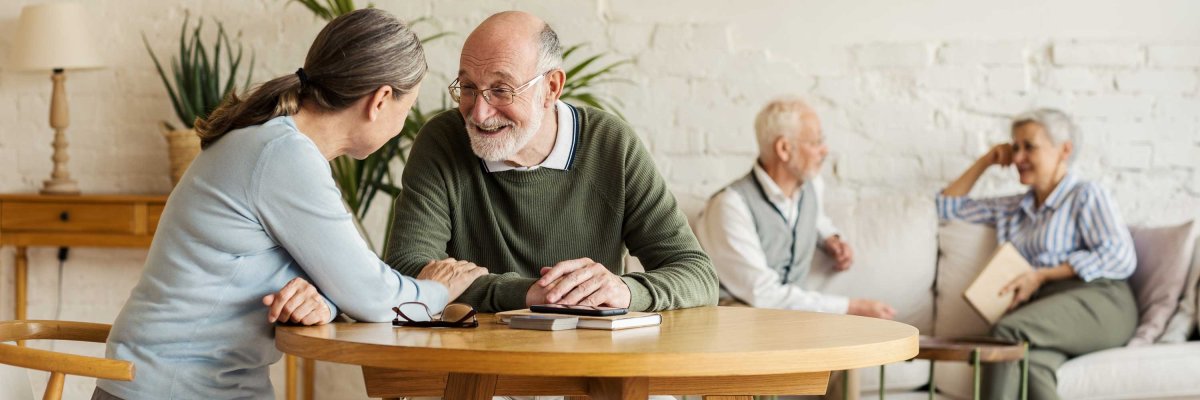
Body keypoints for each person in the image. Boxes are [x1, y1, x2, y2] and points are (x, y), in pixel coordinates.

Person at [95, 9, 485, 400]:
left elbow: (339, 279)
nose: (403, 123)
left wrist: (323, 301)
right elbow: (374, 296)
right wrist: (435, 290)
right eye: (406, 107)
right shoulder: (283, 156)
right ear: (381, 100)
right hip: (173, 390)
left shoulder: (274, 143)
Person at [383, 11, 718, 313]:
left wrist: (624, 291)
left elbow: (697, 274)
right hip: (477, 361)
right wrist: (530, 294)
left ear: (551, 88)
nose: (479, 112)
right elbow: (409, 271)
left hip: (590, 359)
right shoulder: (443, 139)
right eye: (468, 87)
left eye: (501, 90)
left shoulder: (610, 143)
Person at [938, 108, 1137, 399]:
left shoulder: (1085, 195)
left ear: (1064, 150)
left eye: (1029, 147)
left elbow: (1121, 256)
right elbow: (947, 208)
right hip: (1047, 311)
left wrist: (1042, 275)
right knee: (1033, 365)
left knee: (1006, 334)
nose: (1018, 158)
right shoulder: (1014, 208)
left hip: (1101, 302)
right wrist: (986, 161)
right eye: (1015, 147)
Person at [695, 97, 896, 319]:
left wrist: (830, 238)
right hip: (739, 324)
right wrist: (852, 308)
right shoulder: (729, 206)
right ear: (784, 149)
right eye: (816, 141)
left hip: (790, 322)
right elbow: (763, 295)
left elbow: (814, 218)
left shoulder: (810, 187)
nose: (825, 150)